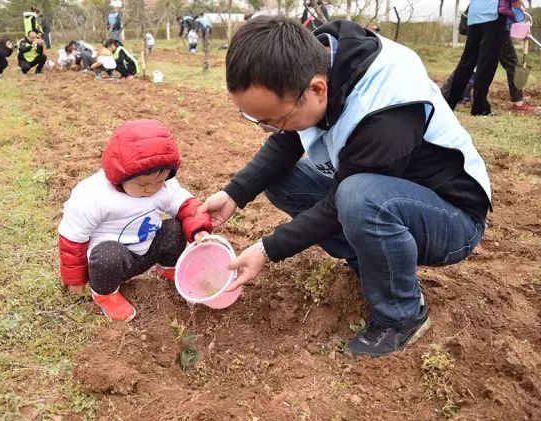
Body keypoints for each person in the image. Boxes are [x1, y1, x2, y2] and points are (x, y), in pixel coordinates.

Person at [200, 16, 491, 358]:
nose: (271, 129)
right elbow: (288, 140)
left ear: (317, 89)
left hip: (451, 218)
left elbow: (338, 206)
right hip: (387, 195)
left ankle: (402, 315)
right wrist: (235, 193)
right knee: (283, 180)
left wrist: (266, 250)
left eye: (273, 120)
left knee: (357, 197)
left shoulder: (385, 112)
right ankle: (372, 262)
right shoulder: (318, 61)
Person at [58, 119, 213, 321]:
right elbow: (73, 237)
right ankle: (105, 294)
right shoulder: (92, 195)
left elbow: (186, 205)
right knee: (107, 255)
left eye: (160, 181)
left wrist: (199, 230)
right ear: (119, 175)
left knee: (174, 228)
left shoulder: (164, 186)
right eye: (142, 185)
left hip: (146, 249)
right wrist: (75, 279)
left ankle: (168, 268)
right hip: (114, 260)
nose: (151, 189)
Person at [444, 0, 523, 116]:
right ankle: (480, 109)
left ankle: (448, 103)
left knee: (467, 62)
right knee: (486, 64)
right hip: (493, 14)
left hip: (475, 14)